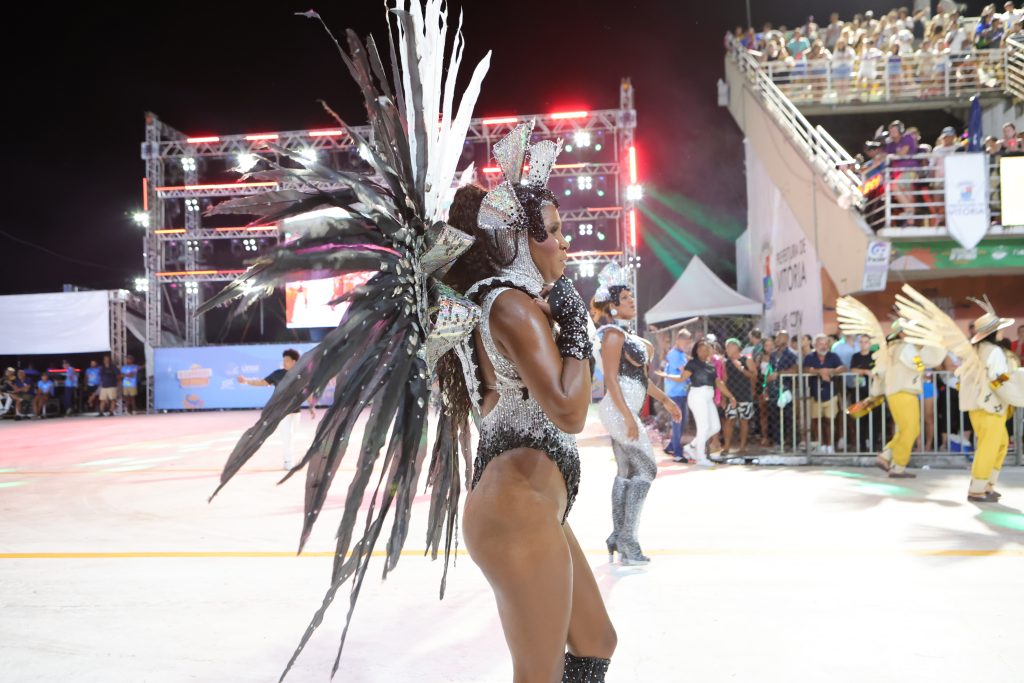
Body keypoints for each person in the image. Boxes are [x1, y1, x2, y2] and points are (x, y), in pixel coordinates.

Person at [593, 266, 682, 565]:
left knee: (627, 473)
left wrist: (667, 401)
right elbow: (611, 379)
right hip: (620, 410)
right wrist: (628, 417)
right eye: (626, 298)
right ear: (613, 306)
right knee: (647, 470)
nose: (632, 301)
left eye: (632, 296)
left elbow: (642, 380)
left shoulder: (627, 335)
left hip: (625, 409)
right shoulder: (613, 335)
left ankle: (618, 537)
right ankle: (628, 540)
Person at [874, 321, 946, 476]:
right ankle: (897, 465)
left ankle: (886, 456)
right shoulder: (906, 348)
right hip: (904, 392)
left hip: (897, 392)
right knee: (911, 430)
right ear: (902, 332)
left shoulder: (893, 349)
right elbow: (918, 365)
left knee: (905, 430)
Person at [658, 339, 738, 465]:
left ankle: (691, 447)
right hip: (697, 396)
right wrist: (666, 375)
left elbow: (719, 383)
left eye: (706, 349)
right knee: (704, 427)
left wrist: (731, 396)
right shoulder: (692, 363)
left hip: (708, 397)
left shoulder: (710, 366)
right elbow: (681, 378)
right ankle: (700, 458)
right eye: (700, 349)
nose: (703, 351)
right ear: (696, 350)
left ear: (710, 351)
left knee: (715, 427)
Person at [237, 348, 302, 470]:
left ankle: (289, 459)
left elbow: (307, 390)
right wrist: (246, 381)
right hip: (282, 412)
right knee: (287, 436)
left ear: (294, 362)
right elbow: (262, 382)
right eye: (284, 360)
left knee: (292, 436)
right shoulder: (277, 374)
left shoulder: (301, 373)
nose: (284, 363)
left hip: (296, 411)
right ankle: (288, 462)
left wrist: (312, 406)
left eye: (287, 360)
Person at [804, 333, 847, 453]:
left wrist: (830, 371)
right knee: (816, 421)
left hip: (830, 393)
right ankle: (820, 444)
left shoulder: (833, 356)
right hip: (815, 394)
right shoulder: (810, 357)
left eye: (826, 344)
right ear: (815, 345)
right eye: (821, 344)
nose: (824, 346)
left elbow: (843, 368)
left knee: (829, 420)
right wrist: (820, 372)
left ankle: (829, 445)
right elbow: (805, 369)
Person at [721, 338, 757, 454]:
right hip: (732, 395)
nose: (727, 350)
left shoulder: (747, 360)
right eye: (726, 347)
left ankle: (742, 447)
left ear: (737, 347)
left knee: (743, 421)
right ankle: (726, 447)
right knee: (729, 421)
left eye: (730, 347)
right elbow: (725, 380)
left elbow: (754, 376)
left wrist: (741, 368)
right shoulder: (726, 362)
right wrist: (724, 397)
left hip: (745, 394)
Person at [663, 329, 693, 462]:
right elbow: (684, 371)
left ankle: (671, 446)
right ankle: (677, 452)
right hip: (675, 394)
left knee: (682, 421)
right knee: (678, 423)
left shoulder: (680, 354)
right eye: (685, 341)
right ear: (678, 340)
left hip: (681, 393)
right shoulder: (675, 354)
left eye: (689, 342)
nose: (687, 344)